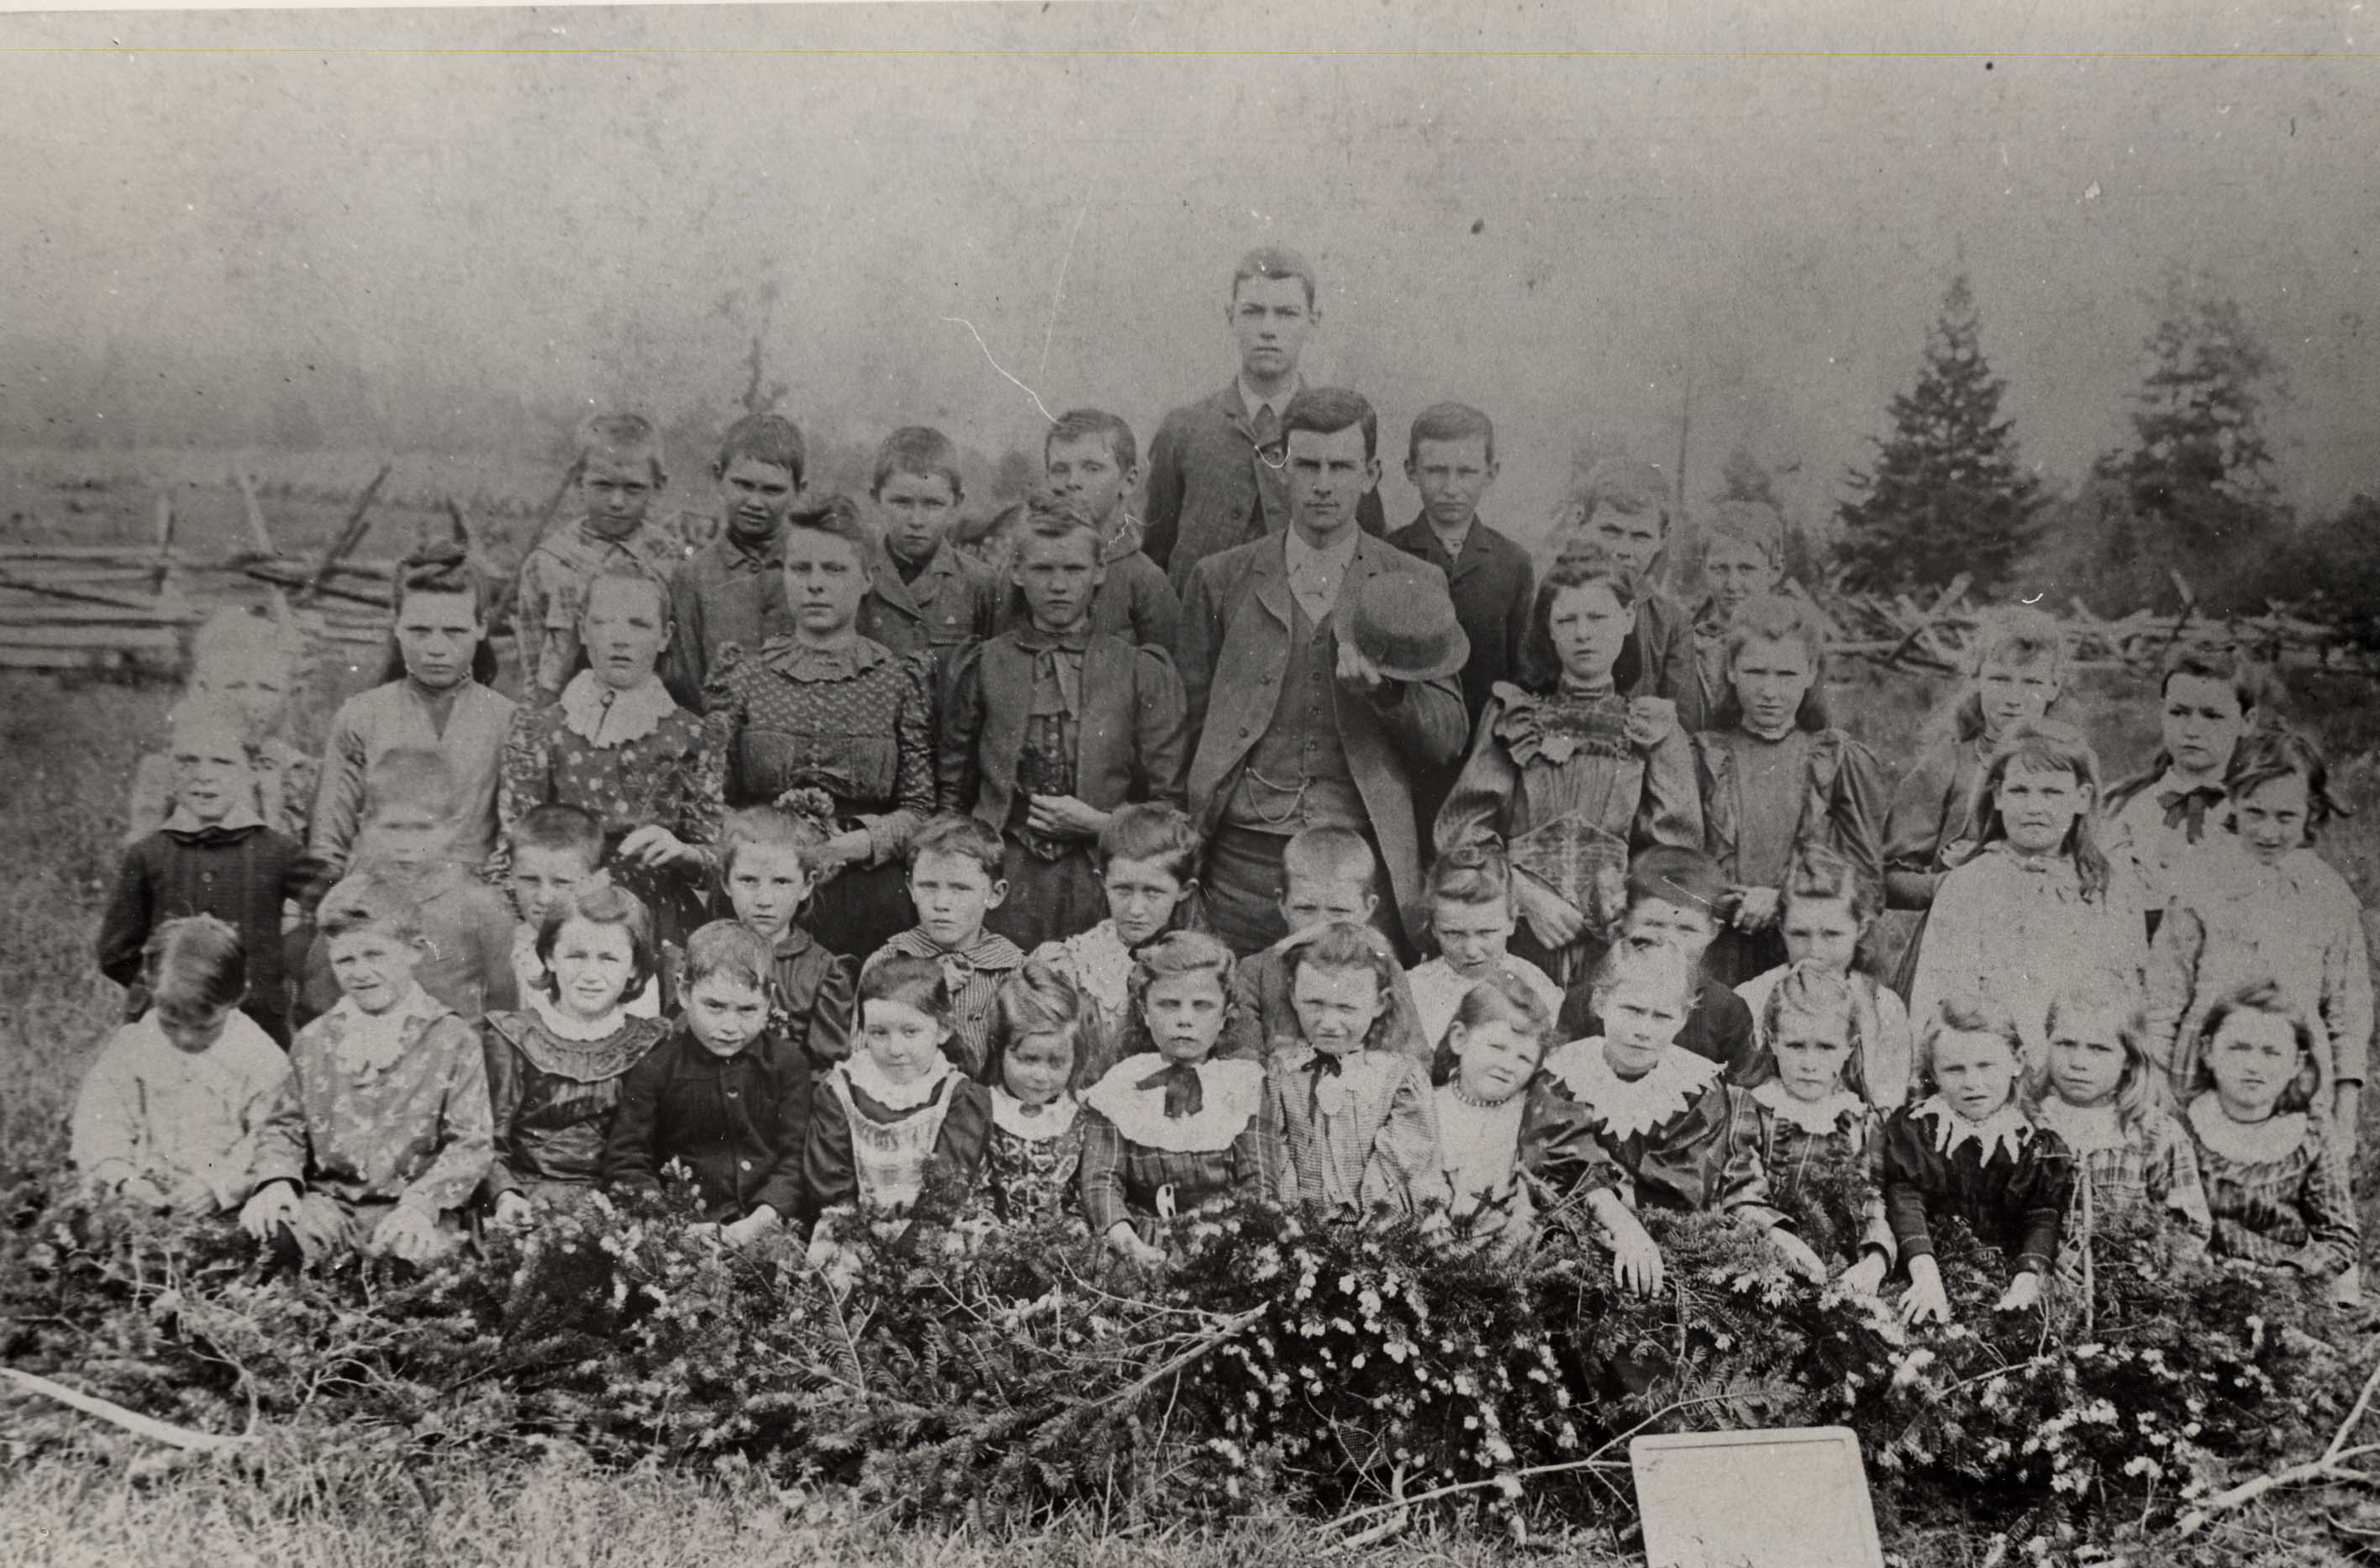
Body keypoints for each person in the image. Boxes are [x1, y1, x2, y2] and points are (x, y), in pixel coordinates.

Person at [1175, 387, 1470, 956]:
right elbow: (1188, 726)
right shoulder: (1220, 579)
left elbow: (1448, 737)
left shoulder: (1412, 581)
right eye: (1308, 465)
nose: (1324, 484)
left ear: (1372, 473)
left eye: (1342, 467)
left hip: (1357, 866)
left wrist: (1387, 697)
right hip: (1241, 865)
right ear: (1282, 467)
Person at [1435, 544, 1702, 983]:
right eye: (1567, 620)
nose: (1583, 634)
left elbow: (1675, 855)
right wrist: (1524, 895)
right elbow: (1463, 833)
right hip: (1517, 931)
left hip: (1617, 941)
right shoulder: (1514, 717)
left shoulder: (1653, 728)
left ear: (1628, 618)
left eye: (1598, 618)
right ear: (1549, 628)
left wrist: (1619, 903)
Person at [940, 500, 1189, 951]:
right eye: (1042, 569)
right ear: (1017, 572)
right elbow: (953, 792)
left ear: (1099, 572)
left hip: (1102, 875)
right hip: (1001, 874)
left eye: (1074, 569)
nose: (1058, 585)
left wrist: (1102, 825)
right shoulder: (984, 664)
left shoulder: (1138, 670)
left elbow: (1169, 804)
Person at [704, 496, 933, 960]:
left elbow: (920, 808)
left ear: (866, 579)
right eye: (800, 569)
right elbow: (710, 799)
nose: (815, 585)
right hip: (760, 890)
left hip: (866, 892)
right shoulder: (746, 675)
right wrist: (760, 846)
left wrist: (858, 844)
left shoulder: (896, 679)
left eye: (834, 570)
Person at [240, 871, 492, 1265]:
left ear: (414, 952)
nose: (359, 972)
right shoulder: (314, 1040)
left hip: (413, 1207)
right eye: (346, 960)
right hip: (331, 1204)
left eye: (375, 955)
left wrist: (422, 1204)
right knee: (274, 1237)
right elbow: (284, 1126)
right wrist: (276, 1180)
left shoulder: (452, 1039)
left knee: (416, 1264)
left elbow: (471, 1143)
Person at [2144, 728, 2369, 1140]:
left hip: (2295, 1076)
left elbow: (2347, 1011)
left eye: (2286, 817)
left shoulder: (2329, 895)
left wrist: (2345, 1113)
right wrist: (2156, 1090)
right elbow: (2165, 996)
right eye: (2255, 813)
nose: (2268, 832)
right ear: (2231, 800)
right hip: (2205, 1070)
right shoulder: (2199, 882)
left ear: (2311, 811)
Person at [494, 566, 727, 948]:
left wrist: (684, 852)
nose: (620, 639)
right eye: (604, 622)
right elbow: (512, 848)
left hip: (657, 915)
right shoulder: (540, 730)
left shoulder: (693, 735)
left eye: (639, 624)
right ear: (583, 630)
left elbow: (714, 855)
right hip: (564, 910)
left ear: (665, 636)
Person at [1542, 944, 1805, 1276]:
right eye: (1632, 1010)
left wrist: (1775, 1232)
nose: (1643, 1030)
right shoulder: (1566, 1074)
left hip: (1675, 1247)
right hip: (1572, 1237)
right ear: (1600, 1003)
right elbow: (1559, 1162)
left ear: (1682, 1019)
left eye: (1661, 1016)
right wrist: (1619, 1220)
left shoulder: (1695, 1090)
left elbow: (1705, 1183)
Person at [1142, 245, 1384, 588]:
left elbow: (1369, 549)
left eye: (1286, 313)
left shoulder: (1344, 430)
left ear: (1313, 320)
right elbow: (1156, 554)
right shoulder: (1184, 429)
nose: (1268, 329)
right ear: (1231, 317)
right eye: (1253, 312)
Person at [1906, 721, 2146, 1065]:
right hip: (1989, 1070)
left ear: (2082, 798)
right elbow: (1939, 997)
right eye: (2020, 791)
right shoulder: (1969, 885)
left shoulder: (2108, 888)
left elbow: (2129, 995)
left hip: (2082, 1067)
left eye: (2052, 793)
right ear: (1998, 795)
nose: (2034, 807)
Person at [1692, 593, 1886, 986]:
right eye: (1755, 672)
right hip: (1718, 945)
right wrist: (1734, 902)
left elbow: (1866, 878)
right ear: (1731, 670)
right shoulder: (1703, 756)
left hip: (1808, 945)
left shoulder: (1836, 759)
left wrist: (1781, 899)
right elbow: (1680, 862)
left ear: (1811, 673)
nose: (1770, 691)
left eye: (1786, 675)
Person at [99, 700, 314, 1044]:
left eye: (222, 761)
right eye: (188, 762)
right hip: (168, 1027)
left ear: (252, 771)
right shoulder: (148, 853)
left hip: (257, 1023)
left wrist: (273, 974)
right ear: (170, 773)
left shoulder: (279, 852)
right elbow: (116, 952)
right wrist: (170, 990)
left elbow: (333, 909)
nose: (204, 775)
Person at [1879, 607, 2067, 989]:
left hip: (2046, 945)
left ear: (2053, 686)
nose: (2014, 698)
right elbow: (1888, 879)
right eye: (1999, 679)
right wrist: (1949, 886)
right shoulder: (1947, 763)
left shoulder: (2070, 768)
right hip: (1956, 948)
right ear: (1977, 680)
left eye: (2030, 682)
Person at [311, 543, 519, 879]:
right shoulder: (362, 717)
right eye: (419, 631)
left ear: (481, 626)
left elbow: (515, 841)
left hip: (471, 895)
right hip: (378, 891)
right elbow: (328, 840)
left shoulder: (507, 721)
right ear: (396, 625)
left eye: (454, 631)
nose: (436, 648)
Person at [602, 921, 811, 1246]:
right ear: (684, 992)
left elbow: (796, 1158)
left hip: (768, 1228)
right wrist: (670, 1222)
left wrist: (762, 1218)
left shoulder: (787, 1064)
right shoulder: (656, 1069)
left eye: (747, 1009)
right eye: (714, 1006)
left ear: (769, 998)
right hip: (682, 1233)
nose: (730, 1026)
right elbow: (627, 1159)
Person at [1077, 931, 1273, 1271]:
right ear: (1144, 1010)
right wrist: (1129, 1243)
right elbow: (1101, 1180)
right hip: (1137, 1245)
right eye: (1168, 1004)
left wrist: (1229, 1247)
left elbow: (1259, 1184)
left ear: (1225, 1014)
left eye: (1202, 1005)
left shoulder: (1244, 1085)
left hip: (1223, 1248)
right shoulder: (1120, 1085)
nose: (1185, 1019)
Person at [71, 916, 296, 1213]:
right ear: (150, 988)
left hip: (222, 1200)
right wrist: (123, 1177)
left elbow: (270, 1137)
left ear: (239, 996)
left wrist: (220, 1186)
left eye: (204, 1026)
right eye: (170, 1022)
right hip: (144, 1192)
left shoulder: (258, 1057)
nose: (186, 1038)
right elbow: (101, 1118)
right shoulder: (136, 1045)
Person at [1878, 994, 2073, 1326]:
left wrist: (2028, 1277)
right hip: (1929, 1274)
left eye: (1986, 1066)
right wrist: (1925, 1274)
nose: (1972, 1083)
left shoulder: (2034, 1142)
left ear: (2017, 1062)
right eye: (1954, 1069)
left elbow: (2042, 1215)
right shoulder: (1918, 1130)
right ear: (1933, 1073)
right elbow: (1906, 1199)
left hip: (2004, 1282)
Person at [482, 884, 671, 1225]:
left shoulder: (650, 1042)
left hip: (618, 1205)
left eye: (609, 958)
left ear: (633, 966)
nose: (590, 975)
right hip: (527, 1200)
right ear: (550, 957)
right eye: (576, 956)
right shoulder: (513, 1037)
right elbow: (488, 1142)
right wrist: (505, 1195)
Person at [1386, 402, 1535, 831]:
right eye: (1436, 471)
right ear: (1411, 471)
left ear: (1491, 472)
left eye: (1466, 472)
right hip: (1405, 760)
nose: (1451, 488)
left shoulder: (1512, 563)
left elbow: (1523, 672)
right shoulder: (1387, 554)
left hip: (1485, 760)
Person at [298, 750, 518, 1024]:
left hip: (451, 1045)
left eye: (422, 828)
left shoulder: (479, 904)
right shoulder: (349, 898)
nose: (407, 843)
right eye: (393, 827)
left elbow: (503, 999)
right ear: (366, 825)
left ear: (452, 828)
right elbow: (319, 991)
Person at [2181, 979, 2361, 1302]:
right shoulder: (2182, 1127)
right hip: (2196, 1284)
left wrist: (2291, 1275)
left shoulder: (2310, 1134)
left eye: (2271, 1052)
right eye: (2238, 1048)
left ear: (2296, 1064)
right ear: (2208, 1052)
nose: (2253, 1065)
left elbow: (2339, 1238)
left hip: (2282, 1290)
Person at [802, 954, 995, 1243]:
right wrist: (858, 1240)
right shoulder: (842, 1090)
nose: (895, 1049)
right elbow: (831, 1184)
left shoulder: (957, 1096)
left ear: (943, 1028)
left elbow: (948, 1189)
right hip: (854, 1232)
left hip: (931, 1233)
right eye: (879, 1032)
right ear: (863, 1031)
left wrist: (907, 1252)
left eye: (910, 1031)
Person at [1728, 964, 1897, 1289]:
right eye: (1795, 1046)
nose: (1809, 1063)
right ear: (1772, 1042)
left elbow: (1872, 1203)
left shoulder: (1859, 1119)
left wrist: (1875, 1262)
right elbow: (1739, 1194)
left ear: (1849, 1048)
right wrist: (1780, 1238)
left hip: (1839, 1271)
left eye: (1826, 1047)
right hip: (1763, 1263)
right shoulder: (1752, 1106)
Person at [1261, 921, 1442, 1218]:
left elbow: (1407, 1156)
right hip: (1302, 1227)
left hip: (1381, 1228)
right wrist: (1293, 1222)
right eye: (1314, 1004)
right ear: (1293, 995)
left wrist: (1373, 1224)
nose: (1329, 1023)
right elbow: (1275, 1151)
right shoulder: (1282, 1071)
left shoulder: (1399, 1076)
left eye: (1346, 1008)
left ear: (1379, 1004)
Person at [2032, 979, 2211, 1267]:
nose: (2078, 1062)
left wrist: (2153, 1261)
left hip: (2126, 1278)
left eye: (2099, 1049)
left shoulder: (2154, 1134)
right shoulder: (2030, 1123)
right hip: (2038, 1275)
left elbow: (2190, 1228)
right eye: (2065, 1044)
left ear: (2129, 1058)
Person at [1219, 827, 1431, 1066]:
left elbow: (1415, 1060)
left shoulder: (1385, 969)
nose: (1320, 925)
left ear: (1368, 908)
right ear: (1282, 903)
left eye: (1339, 911)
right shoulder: (1256, 972)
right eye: (1306, 909)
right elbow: (1240, 1059)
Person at [2102, 647, 2277, 934]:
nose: (2192, 730)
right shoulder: (2125, 804)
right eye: (2178, 713)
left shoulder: (2262, 812)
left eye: (2212, 716)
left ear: (2247, 721)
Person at [513, 413, 682, 708]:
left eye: (633, 488)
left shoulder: (672, 561)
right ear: (578, 481)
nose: (617, 502)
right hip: (566, 717)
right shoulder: (546, 563)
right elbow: (532, 665)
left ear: (658, 486)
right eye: (603, 485)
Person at [1430, 971, 1605, 1253]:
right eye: (1497, 1047)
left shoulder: (1529, 1112)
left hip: (1511, 1250)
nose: (1508, 1065)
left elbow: (1534, 1196)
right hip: (1432, 1244)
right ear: (1460, 1039)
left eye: (1524, 1058)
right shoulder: (1430, 1107)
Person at [1029, 802, 1207, 1081]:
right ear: (1103, 881)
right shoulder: (1071, 964)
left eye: (1153, 892)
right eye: (1123, 890)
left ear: (1184, 890)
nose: (1135, 909)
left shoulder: (1204, 966)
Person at [1555, 847, 1761, 1084]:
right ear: (1626, 920)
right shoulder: (1585, 1002)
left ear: (1713, 931)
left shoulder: (1727, 1011)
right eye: (1654, 924)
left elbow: (1741, 1091)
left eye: (1687, 929)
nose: (1669, 941)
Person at [1734, 846, 1914, 1110]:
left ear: (1860, 929)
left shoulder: (1883, 1006)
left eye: (1832, 935)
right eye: (1799, 934)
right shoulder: (1751, 998)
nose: (1815, 951)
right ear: (1781, 928)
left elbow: (1889, 1101)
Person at [124, 608, 315, 845]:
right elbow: (142, 851)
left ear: (289, 695)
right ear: (204, 690)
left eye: (267, 688)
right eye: (236, 687)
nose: (251, 704)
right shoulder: (170, 768)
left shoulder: (295, 770)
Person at [861, 813, 1026, 1079]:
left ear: (995, 894)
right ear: (911, 888)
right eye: (928, 886)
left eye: (960, 889)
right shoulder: (887, 962)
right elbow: (861, 1055)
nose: (941, 903)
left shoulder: (1012, 969)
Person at [1549, 457, 1704, 732]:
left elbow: (1683, 724)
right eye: (1610, 531)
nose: (1623, 550)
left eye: (1641, 536)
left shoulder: (1671, 624)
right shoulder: (1553, 603)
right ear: (1582, 523)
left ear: (1662, 538)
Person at [666, 413, 807, 708]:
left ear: (798, 491)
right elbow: (688, 680)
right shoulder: (692, 576)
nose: (755, 502)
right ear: (718, 477)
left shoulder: (813, 569)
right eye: (743, 485)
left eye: (772, 490)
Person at [856, 426, 1001, 700]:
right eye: (901, 502)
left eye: (933, 504)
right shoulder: (855, 577)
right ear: (875, 498)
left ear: (957, 502)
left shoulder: (981, 585)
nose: (916, 520)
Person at [716, 803, 858, 1070]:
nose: (764, 900)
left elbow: (825, 1066)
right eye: (749, 880)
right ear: (726, 882)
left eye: (781, 882)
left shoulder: (823, 972)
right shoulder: (707, 952)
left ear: (807, 885)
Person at [1030, 408, 1182, 649]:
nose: (1072, 482)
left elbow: (1167, 667)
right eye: (1060, 469)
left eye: (1092, 468)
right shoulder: (1027, 566)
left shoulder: (1145, 580)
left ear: (1129, 481)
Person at [501, 802, 661, 1019]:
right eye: (530, 880)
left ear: (598, 879)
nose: (544, 897)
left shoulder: (618, 953)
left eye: (562, 882)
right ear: (511, 873)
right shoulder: (506, 949)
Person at [1403, 845, 1566, 1053]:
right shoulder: (1413, 988)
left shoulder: (1534, 984)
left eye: (1486, 932)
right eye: (1453, 934)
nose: (1471, 950)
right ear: (1433, 927)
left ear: (1511, 921)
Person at [977, 964, 1089, 1225]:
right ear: (999, 1049)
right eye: (1028, 1059)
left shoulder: (1078, 1115)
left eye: (1057, 1062)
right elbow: (978, 1195)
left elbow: (1086, 1194)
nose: (1041, 1076)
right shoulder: (984, 1110)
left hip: (1066, 1242)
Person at [1686, 498, 1788, 723]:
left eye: (1746, 569)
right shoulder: (1684, 645)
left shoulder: (1794, 644)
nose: (1732, 584)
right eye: (1720, 568)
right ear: (1703, 568)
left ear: (1775, 570)